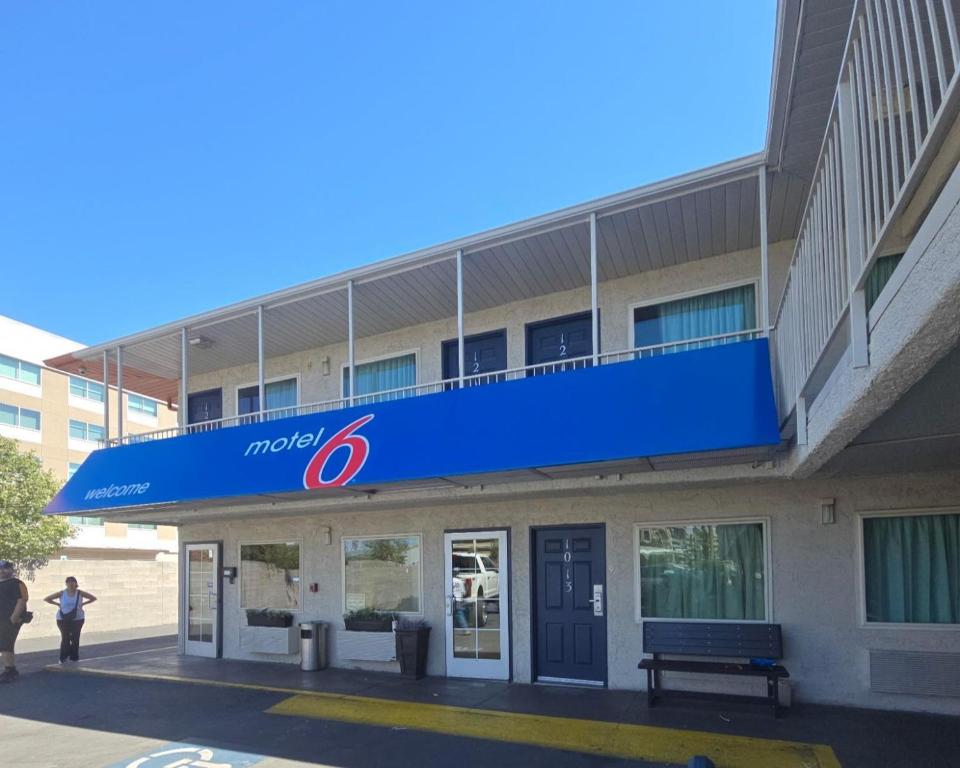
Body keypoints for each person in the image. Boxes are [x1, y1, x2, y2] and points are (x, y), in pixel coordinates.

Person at [45, 577, 96, 663]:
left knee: (75, 638)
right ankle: (63, 657)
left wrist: (83, 604)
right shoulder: (62, 593)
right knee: (65, 637)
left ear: (76, 584)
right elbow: (47, 599)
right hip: (63, 618)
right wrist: (58, 604)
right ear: (66, 584)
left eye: (73, 582)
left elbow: (93, 598)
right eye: (69, 583)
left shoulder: (80, 593)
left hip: (77, 618)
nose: (71, 584)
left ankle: (74, 657)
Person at [0, 560, 29, 683]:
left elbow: (22, 600)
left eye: (5, 568)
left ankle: (10, 670)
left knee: (6, 644)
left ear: (11, 569)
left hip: (9, 619)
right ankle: (10, 669)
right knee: (5, 644)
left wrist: (14, 618)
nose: (2, 571)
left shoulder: (17, 583)